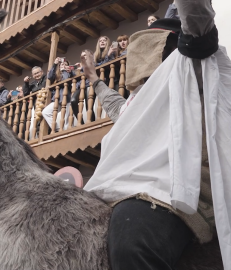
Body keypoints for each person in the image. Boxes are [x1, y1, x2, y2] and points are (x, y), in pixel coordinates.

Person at [83, 0, 230, 268]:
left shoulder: (192, 66)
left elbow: (196, 14)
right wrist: (94, 79)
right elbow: (116, 105)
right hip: (126, 185)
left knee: (133, 244)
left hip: (179, 188)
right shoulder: (138, 101)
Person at [42, 57, 75, 131]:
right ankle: (58, 129)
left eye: (65, 64)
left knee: (67, 120)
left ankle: (67, 132)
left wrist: (65, 71)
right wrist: (55, 64)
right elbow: (49, 76)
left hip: (68, 99)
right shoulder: (57, 75)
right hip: (57, 99)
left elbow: (66, 80)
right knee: (45, 112)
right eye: (61, 64)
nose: (63, 65)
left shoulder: (70, 73)